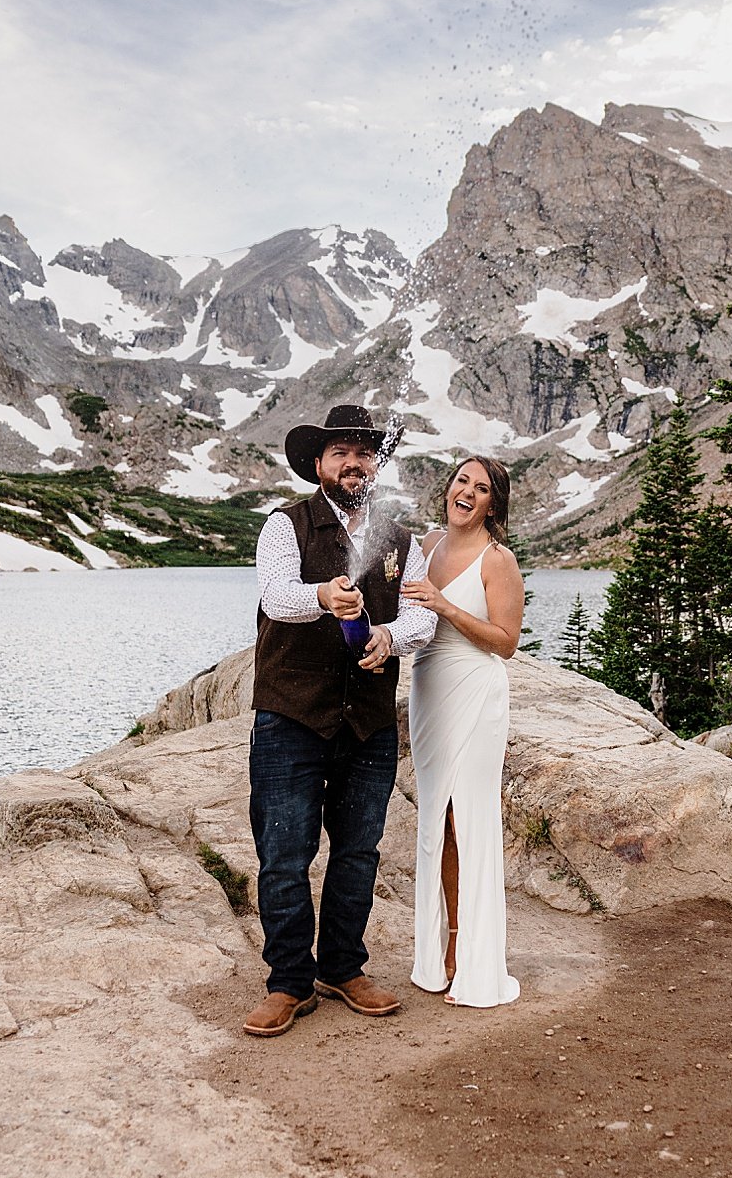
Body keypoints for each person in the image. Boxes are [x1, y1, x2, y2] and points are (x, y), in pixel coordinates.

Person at [243, 404, 438, 1038]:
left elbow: (422, 619)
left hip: (369, 721)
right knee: (284, 853)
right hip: (290, 717)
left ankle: (343, 969)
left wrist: (388, 637)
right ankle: (288, 982)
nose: (352, 461)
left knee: (357, 852)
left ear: (375, 463)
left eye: (362, 452)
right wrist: (323, 596)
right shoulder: (284, 526)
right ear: (318, 465)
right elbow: (275, 596)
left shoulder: (399, 539)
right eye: (339, 452)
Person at [401, 457, 522, 1008]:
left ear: (492, 504)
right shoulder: (425, 544)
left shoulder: (499, 560)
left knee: (469, 819)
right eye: (461, 482)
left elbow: (505, 641)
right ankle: (439, 953)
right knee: (436, 824)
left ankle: (474, 962)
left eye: (481, 488)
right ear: (448, 488)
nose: (467, 492)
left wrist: (446, 606)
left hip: (476, 691)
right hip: (428, 690)